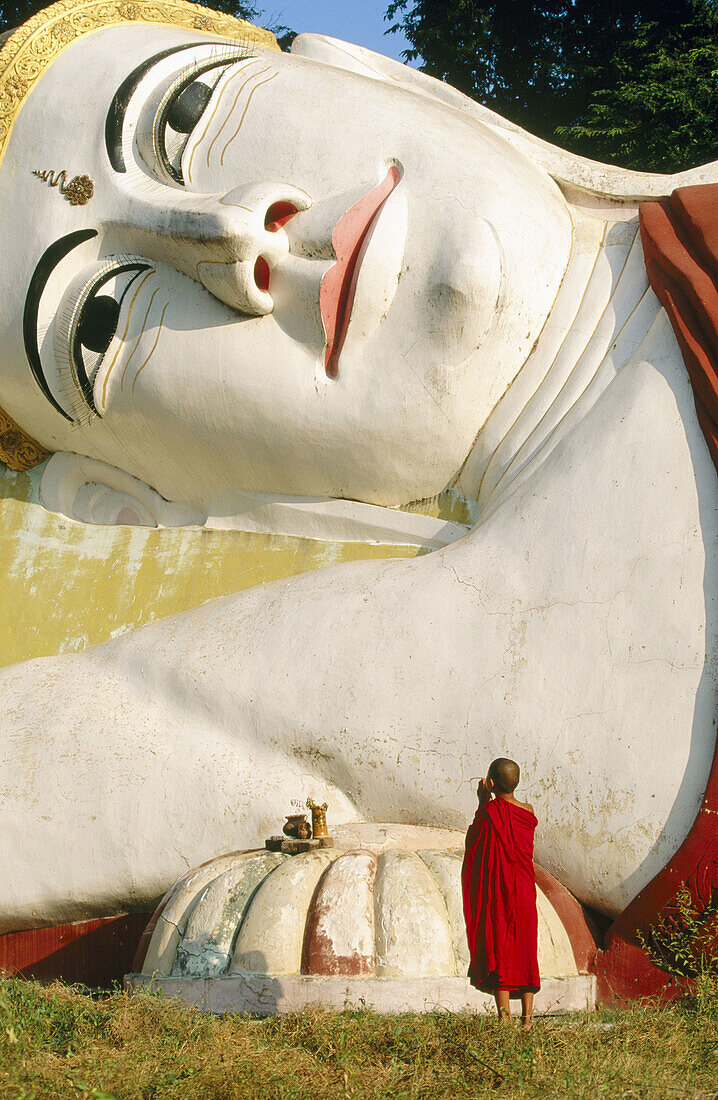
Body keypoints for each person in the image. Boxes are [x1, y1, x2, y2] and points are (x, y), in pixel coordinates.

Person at [0, 0, 717, 947]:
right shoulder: (392, 674)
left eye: (183, 114)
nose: (236, 236)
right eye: (96, 327)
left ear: (368, 70)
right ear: (138, 500)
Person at [462, 758, 539, 1030]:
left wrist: (482, 804)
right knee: (527, 950)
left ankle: (504, 1020)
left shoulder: (489, 813)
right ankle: (527, 1019)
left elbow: (473, 846)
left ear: (490, 784)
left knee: (502, 949)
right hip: (526, 892)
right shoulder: (528, 812)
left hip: (501, 892)